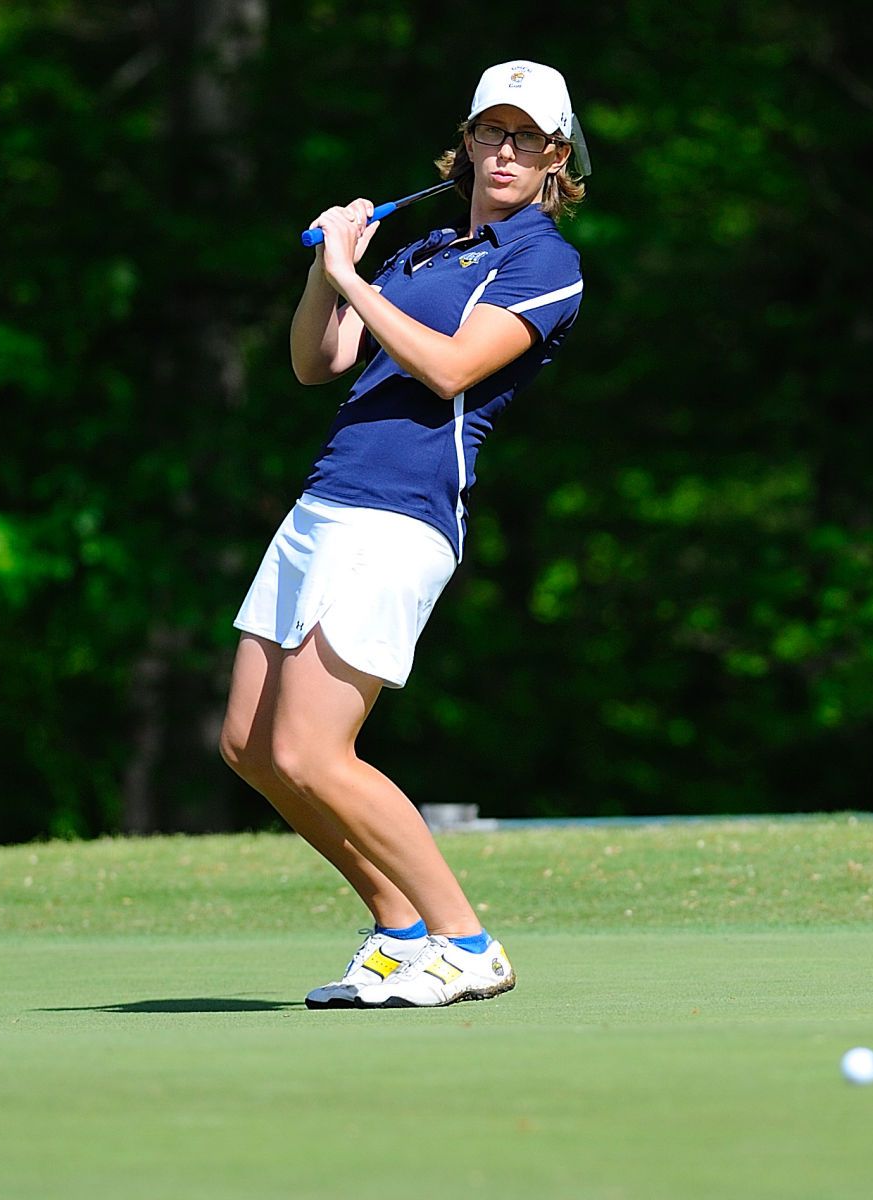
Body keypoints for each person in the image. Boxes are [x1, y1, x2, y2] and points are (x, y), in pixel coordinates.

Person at [219, 61, 588, 1008]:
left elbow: (453, 369)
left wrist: (352, 275)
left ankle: (467, 943)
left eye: (525, 139)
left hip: (402, 517)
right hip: (326, 502)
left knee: (313, 751)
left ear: (556, 157)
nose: (503, 152)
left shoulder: (544, 262)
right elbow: (320, 359)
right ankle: (399, 931)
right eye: (488, 134)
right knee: (251, 749)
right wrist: (325, 270)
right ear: (464, 145)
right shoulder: (421, 252)